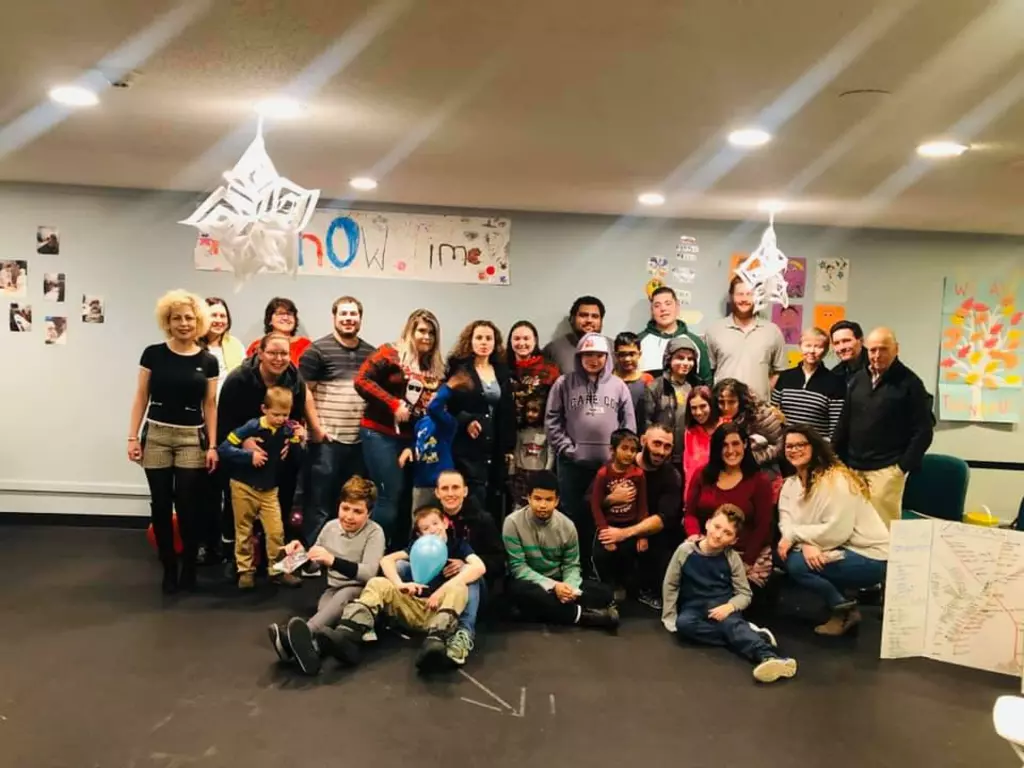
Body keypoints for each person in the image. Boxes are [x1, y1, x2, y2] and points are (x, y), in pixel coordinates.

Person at [315, 505, 486, 673]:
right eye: (426, 528)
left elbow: (479, 567)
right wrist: (400, 585)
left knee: (460, 583)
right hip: (415, 606)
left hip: (442, 610)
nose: (432, 530)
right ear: (420, 534)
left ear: (445, 523)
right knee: (378, 582)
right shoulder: (417, 547)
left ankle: (436, 642)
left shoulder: (459, 545)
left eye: (435, 523)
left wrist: (441, 592)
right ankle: (349, 634)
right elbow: (386, 560)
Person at [127, 290, 219, 594]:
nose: (183, 323)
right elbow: (141, 396)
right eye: (177, 318)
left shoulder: (208, 361)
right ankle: (168, 567)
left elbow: (210, 405)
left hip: (192, 438)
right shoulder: (152, 354)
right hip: (156, 436)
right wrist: (132, 436)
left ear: (198, 322)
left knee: (189, 504)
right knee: (161, 504)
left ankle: (189, 566)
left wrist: (212, 446)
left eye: (189, 318)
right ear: (167, 321)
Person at [662, 504, 798, 684]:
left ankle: (768, 656)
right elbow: (671, 584)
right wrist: (669, 616)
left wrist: (730, 607)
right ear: (707, 524)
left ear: (734, 540)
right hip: (694, 607)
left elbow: (744, 593)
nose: (718, 535)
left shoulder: (732, 558)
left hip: (723, 607)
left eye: (727, 533)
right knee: (684, 625)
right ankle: (754, 635)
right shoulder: (684, 551)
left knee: (731, 626)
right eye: (717, 527)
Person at [268, 476, 386, 675]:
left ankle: (299, 635)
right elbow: (313, 567)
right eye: (345, 508)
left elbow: (369, 573)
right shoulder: (330, 527)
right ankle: (311, 652)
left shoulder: (375, 533)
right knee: (326, 614)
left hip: (362, 592)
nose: (349, 516)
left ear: (369, 513)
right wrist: (301, 556)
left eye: (357, 511)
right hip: (333, 589)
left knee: (340, 600)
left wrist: (332, 560)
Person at [778, 426, 889, 636]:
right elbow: (786, 523)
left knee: (797, 563)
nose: (794, 450)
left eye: (801, 445)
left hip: (869, 555)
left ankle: (843, 610)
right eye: (789, 446)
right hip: (833, 545)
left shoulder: (837, 480)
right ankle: (841, 603)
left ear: (814, 447)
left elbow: (837, 531)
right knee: (781, 553)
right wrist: (805, 542)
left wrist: (801, 540)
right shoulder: (791, 485)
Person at [219, 333, 322, 550]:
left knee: (280, 508)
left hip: (279, 456)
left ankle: (275, 555)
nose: (279, 359)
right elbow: (224, 422)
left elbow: (295, 418)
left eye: (284, 353)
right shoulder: (238, 379)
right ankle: (236, 557)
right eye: (273, 353)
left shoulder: (294, 379)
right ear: (260, 353)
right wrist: (244, 442)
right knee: (241, 513)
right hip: (244, 454)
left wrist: (293, 438)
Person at [546, 332, 636, 572]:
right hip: (572, 465)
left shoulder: (618, 386)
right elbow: (552, 420)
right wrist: (567, 449)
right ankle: (573, 568)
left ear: (607, 357)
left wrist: (621, 458)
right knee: (573, 517)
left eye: (598, 355)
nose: (593, 360)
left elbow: (628, 425)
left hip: (608, 467)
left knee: (607, 517)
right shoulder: (563, 383)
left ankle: (602, 573)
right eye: (587, 355)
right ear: (579, 356)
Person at [354, 309, 444, 545]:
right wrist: (392, 403)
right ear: (410, 331)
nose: (426, 337)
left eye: (431, 333)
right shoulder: (390, 353)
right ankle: (376, 551)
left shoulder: (433, 366)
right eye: (422, 331)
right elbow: (361, 380)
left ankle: (400, 550)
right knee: (388, 496)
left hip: (411, 439)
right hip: (379, 433)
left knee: (407, 498)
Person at [298, 296, 375, 568]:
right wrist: (316, 429)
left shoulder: (371, 354)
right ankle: (313, 559)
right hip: (327, 440)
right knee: (319, 503)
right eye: (344, 314)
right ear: (334, 317)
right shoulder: (317, 351)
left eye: (353, 314)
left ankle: (343, 558)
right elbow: (304, 393)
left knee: (351, 503)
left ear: (360, 318)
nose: (348, 319)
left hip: (359, 442)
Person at [832, 327, 934, 527]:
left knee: (882, 530)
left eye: (883, 349)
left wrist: (901, 468)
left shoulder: (910, 383)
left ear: (896, 349)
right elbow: (845, 421)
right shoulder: (858, 379)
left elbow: (923, 431)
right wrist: (834, 456)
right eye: (872, 350)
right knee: (852, 525)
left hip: (886, 470)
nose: (877, 355)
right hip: (853, 467)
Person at [503, 471, 619, 629]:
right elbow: (518, 568)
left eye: (548, 499)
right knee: (518, 591)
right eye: (537, 498)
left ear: (556, 501)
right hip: (531, 583)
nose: (543, 505)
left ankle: (547, 610)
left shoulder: (567, 526)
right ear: (528, 498)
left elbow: (571, 565)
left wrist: (569, 589)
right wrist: (553, 586)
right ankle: (582, 616)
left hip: (560, 580)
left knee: (605, 592)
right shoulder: (512, 523)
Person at [217, 387, 305, 590]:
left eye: (285, 415)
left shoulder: (288, 429)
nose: (281, 419)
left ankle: (278, 571)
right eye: (276, 414)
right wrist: (249, 456)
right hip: (243, 486)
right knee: (244, 531)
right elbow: (224, 448)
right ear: (264, 409)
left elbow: (297, 459)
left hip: (270, 489)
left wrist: (298, 441)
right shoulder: (252, 426)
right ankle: (245, 571)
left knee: (276, 532)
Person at [594, 423, 683, 610]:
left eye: (667, 447)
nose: (661, 451)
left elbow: (664, 518)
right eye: (656, 443)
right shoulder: (617, 464)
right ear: (643, 441)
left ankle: (647, 590)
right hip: (614, 524)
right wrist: (611, 499)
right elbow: (589, 501)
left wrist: (626, 533)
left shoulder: (671, 475)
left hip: (648, 534)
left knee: (664, 544)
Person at [684, 424, 774, 594]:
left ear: (745, 444)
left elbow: (763, 526)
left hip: (746, 554)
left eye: (735, 443)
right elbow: (690, 514)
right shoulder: (702, 474)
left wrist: (746, 561)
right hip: (708, 547)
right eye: (724, 445)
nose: (730, 450)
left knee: (729, 599)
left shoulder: (759, 481)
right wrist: (694, 536)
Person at [430, 469, 505, 666]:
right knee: (402, 566)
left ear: (465, 491)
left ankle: (464, 633)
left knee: (468, 574)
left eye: (455, 488)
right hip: (437, 585)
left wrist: (467, 564)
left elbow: (499, 561)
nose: (450, 493)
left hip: (474, 589)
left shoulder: (483, 520)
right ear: (437, 492)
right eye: (445, 488)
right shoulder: (429, 520)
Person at [445, 321, 516, 518]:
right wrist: (466, 420)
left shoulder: (501, 371)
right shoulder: (459, 370)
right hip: (467, 444)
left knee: (493, 499)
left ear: (495, 343)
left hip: (495, 445)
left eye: (488, 338)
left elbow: (507, 410)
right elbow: (448, 406)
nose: (484, 342)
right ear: (470, 341)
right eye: (479, 338)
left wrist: (509, 446)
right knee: (472, 497)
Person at [199, 296, 246, 564]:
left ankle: (228, 545)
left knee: (230, 490)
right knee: (205, 489)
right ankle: (206, 544)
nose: (218, 320)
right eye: (213, 315)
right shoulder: (193, 346)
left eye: (222, 315)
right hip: (200, 424)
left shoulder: (236, 346)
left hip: (231, 425)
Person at [705, 275, 786, 401]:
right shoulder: (715, 330)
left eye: (749, 294)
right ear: (732, 296)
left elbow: (778, 371)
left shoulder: (772, 331)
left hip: (759, 408)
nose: (744, 299)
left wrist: (763, 394)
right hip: (724, 406)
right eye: (740, 294)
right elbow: (708, 371)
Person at [400, 371, 471, 512]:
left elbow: (434, 408)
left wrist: (448, 386)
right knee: (419, 519)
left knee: (442, 519)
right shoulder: (420, 423)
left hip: (441, 483)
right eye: (425, 392)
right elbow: (418, 444)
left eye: (433, 393)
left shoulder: (448, 423)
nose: (428, 396)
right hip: (421, 483)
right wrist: (409, 449)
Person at [591, 429, 648, 598]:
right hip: (608, 525)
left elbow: (642, 505)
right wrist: (604, 531)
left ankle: (628, 593)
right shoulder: (603, 474)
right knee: (603, 557)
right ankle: (607, 592)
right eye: (624, 448)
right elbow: (595, 505)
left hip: (630, 526)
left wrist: (642, 535)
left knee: (629, 560)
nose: (629, 454)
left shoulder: (638, 474)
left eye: (633, 450)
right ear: (612, 449)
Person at [771, 327, 845, 440]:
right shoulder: (785, 377)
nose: (812, 351)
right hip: (786, 444)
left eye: (818, 346)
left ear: (825, 351)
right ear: (800, 346)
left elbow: (835, 426)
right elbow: (772, 412)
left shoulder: (835, 382)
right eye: (808, 345)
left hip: (818, 446)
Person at [642, 336, 703, 464]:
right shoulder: (655, 387)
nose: (685, 363)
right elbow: (646, 422)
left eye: (690, 359)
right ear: (669, 359)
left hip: (690, 454)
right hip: (660, 454)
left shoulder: (697, 386)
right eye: (680, 358)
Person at [637, 285, 711, 380]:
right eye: (657, 305)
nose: (663, 309)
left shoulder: (695, 342)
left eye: (668, 304)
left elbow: (706, 381)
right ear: (652, 310)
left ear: (677, 307)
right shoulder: (638, 342)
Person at [713, 378, 783, 469]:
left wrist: (750, 458)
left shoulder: (761, 414)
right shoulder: (714, 416)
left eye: (731, 402)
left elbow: (779, 446)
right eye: (721, 402)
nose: (726, 408)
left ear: (741, 401)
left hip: (762, 467)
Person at [506, 319, 561, 423]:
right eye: (517, 339)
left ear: (535, 341)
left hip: (540, 429)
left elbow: (559, 403)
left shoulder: (549, 369)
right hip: (507, 427)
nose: (521, 343)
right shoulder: (502, 368)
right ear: (510, 341)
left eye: (526, 338)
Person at [508, 392, 553, 508]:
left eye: (534, 411)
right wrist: (512, 471)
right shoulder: (521, 432)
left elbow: (550, 453)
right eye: (528, 410)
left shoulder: (546, 433)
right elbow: (516, 452)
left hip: (539, 473)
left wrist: (547, 472)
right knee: (519, 504)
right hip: (521, 474)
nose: (530, 414)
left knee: (537, 503)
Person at [543, 295, 606, 373]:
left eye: (595, 316)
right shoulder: (553, 349)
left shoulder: (612, 348)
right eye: (583, 315)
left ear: (601, 321)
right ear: (572, 319)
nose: (589, 320)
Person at [682, 385, 721, 503]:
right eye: (693, 408)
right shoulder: (690, 432)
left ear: (711, 405)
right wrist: (688, 500)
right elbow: (689, 469)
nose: (698, 412)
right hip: (700, 495)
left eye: (703, 406)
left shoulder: (726, 427)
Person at [245, 297, 311, 365]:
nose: (285, 318)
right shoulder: (258, 345)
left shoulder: (306, 345)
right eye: (280, 314)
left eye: (289, 314)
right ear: (270, 320)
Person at [613, 332, 654, 428]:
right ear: (616, 355)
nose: (627, 359)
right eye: (622, 354)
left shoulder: (647, 380)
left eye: (632, 354)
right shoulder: (608, 380)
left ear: (639, 354)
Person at [829, 320, 868, 385]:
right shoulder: (834, 374)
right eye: (836, 343)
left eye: (846, 341)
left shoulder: (878, 366)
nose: (842, 347)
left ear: (861, 341)